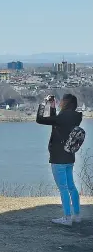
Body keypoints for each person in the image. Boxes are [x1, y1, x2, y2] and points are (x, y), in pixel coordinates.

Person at [36, 94, 83, 226]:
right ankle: (77, 215)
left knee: (63, 188)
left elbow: (40, 119)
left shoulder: (62, 118)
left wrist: (43, 103)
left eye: (62, 101)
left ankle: (67, 218)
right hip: (69, 156)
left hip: (58, 157)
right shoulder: (76, 116)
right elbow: (55, 121)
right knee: (71, 187)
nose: (60, 102)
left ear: (66, 102)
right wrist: (52, 107)